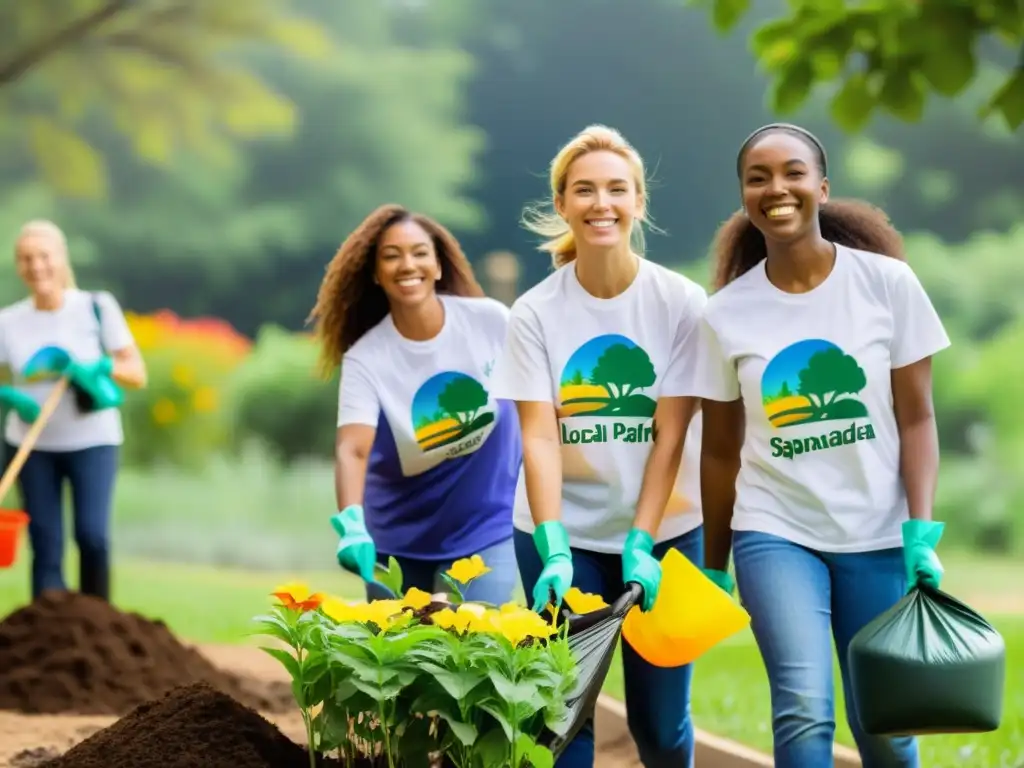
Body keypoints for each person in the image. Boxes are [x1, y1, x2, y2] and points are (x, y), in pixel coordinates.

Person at [695, 123, 949, 768]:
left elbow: (917, 419)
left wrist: (919, 527)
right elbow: (721, 449)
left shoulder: (887, 284)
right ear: (744, 196)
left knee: (886, 724)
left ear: (822, 187)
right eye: (758, 178)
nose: (776, 188)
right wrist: (716, 562)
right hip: (775, 530)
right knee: (804, 709)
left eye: (793, 173)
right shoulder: (723, 314)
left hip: (878, 530)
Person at [492, 124, 707, 768]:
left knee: (662, 726)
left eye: (617, 189)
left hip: (667, 532)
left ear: (639, 201)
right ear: (562, 204)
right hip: (562, 538)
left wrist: (642, 538)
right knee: (561, 716)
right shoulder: (533, 313)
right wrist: (553, 544)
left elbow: (672, 432)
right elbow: (538, 433)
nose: (601, 203)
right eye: (584, 190)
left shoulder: (680, 302)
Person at [308, 204, 521, 604]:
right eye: (392, 255)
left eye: (420, 252)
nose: (408, 264)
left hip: (487, 526)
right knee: (399, 659)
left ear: (438, 266)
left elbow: (540, 405)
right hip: (398, 538)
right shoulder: (366, 358)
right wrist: (352, 523)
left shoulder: (492, 322)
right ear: (375, 273)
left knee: (474, 644)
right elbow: (353, 449)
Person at [0, 219, 147, 601]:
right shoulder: (9, 321)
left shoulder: (96, 308)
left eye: (44, 256)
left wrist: (100, 367)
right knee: (46, 544)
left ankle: (97, 627)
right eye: (26, 258)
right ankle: (48, 640)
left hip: (92, 442)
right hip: (31, 447)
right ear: (19, 266)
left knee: (92, 536)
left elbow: (136, 373)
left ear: (61, 259)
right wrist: (9, 396)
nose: (36, 266)